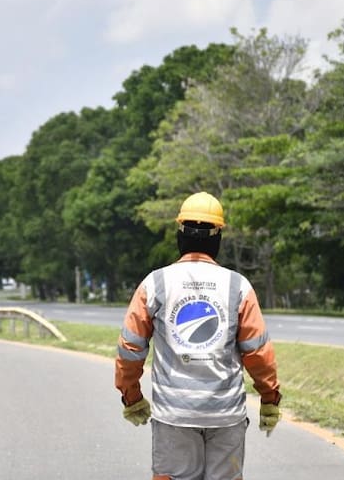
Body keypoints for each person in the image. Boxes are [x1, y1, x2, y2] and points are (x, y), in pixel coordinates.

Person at [115, 191, 281, 480]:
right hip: (226, 416)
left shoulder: (155, 283)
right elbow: (257, 352)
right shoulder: (238, 286)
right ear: (217, 238)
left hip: (174, 417)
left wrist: (132, 396)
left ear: (181, 233)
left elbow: (131, 348)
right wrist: (269, 397)